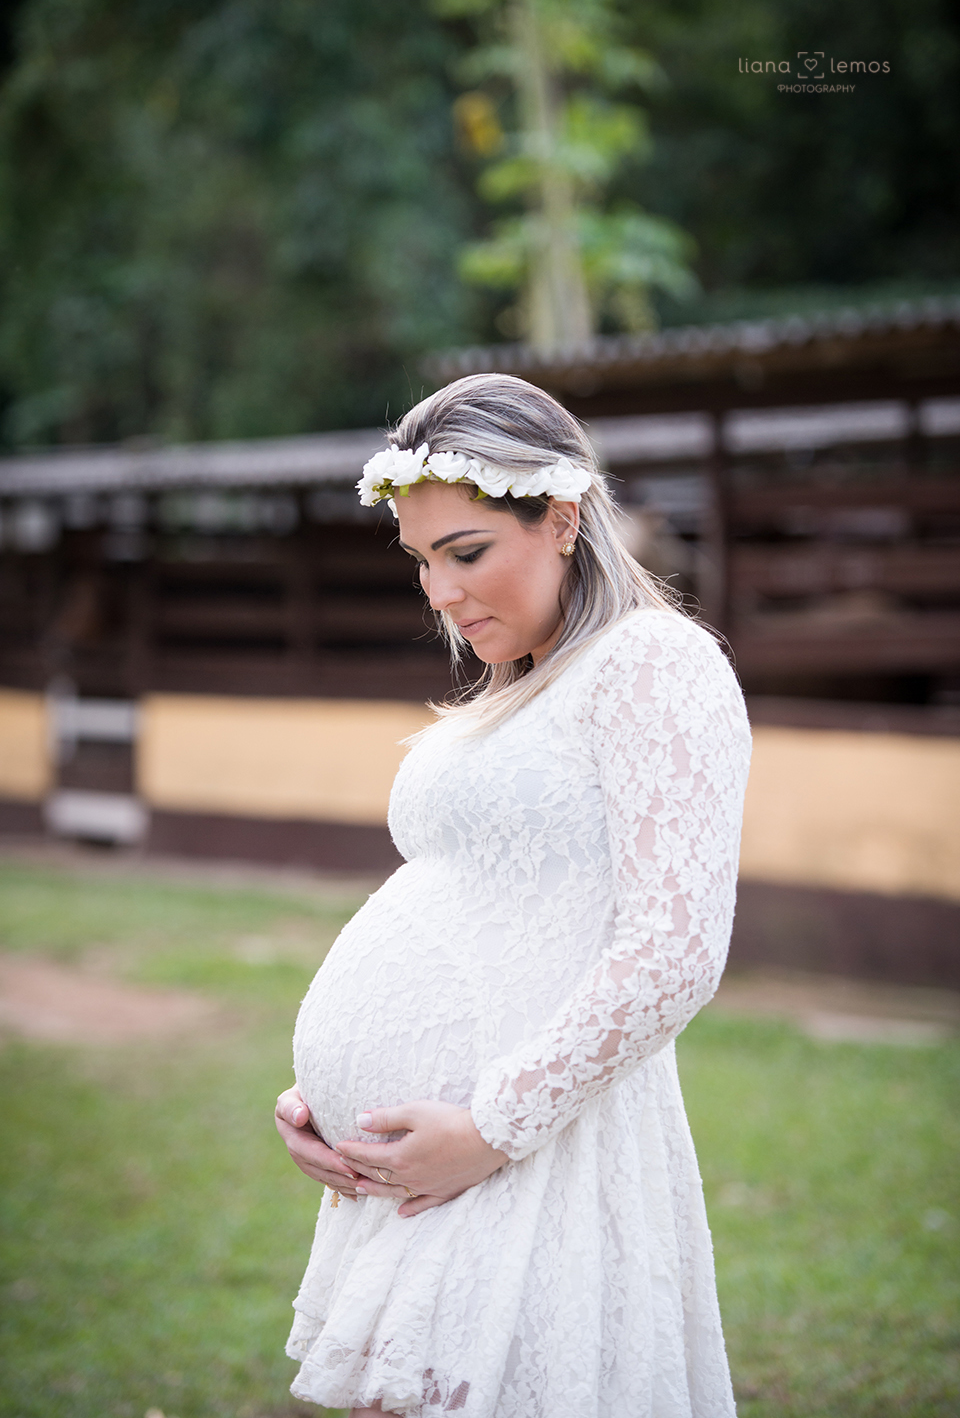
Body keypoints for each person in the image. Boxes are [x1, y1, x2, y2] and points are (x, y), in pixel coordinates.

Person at [274, 373, 752, 1418]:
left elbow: (675, 948)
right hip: (421, 1164)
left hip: (531, 1153)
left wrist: (489, 1123)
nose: (441, 593)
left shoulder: (656, 663)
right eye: (421, 562)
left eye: (468, 552)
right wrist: (325, 1103)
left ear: (564, 518)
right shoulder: (517, 689)